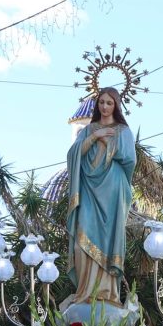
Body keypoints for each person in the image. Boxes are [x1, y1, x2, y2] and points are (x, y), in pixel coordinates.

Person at [64, 86, 136, 308]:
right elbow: (73, 154)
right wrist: (95, 136)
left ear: (116, 105)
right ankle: (85, 291)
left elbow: (130, 160)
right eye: (101, 102)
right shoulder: (88, 130)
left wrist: (108, 142)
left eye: (109, 103)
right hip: (88, 189)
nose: (105, 107)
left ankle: (107, 292)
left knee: (108, 238)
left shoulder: (123, 131)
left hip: (113, 189)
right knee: (81, 242)